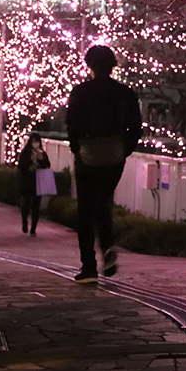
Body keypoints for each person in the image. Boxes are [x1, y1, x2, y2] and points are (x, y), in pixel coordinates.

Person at [65, 45, 142, 283]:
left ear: (90, 65)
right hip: (114, 152)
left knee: (85, 209)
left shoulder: (80, 91)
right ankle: (108, 246)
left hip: (88, 151)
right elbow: (135, 125)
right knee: (104, 200)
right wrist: (125, 148)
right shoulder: (125, 93)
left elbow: (71, 122)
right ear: (112, 65)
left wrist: (76, 147)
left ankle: (88, 266)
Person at [17, 132, 50, 237]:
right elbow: (21, 166)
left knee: (36, 206)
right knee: (25, 203)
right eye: (33, 141)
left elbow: (47, 165)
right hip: (27, 181)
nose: (35, 144)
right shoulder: (26, 152)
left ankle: (33, 229)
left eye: (37, 141)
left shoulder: (42, 153)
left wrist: (41, 159)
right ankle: (25, 222)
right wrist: (30, 160)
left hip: (38, 182)